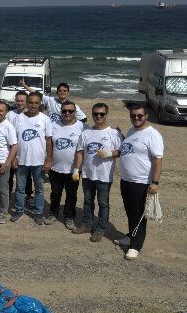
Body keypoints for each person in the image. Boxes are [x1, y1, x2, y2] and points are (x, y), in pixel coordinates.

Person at [72, 102, 124, 242]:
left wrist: (108, 154)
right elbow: (80, 153)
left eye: (101, 114)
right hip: (88, 174)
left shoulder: (113, 133)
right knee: (88, 201)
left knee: (103, 203)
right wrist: (76, 170)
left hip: (104, 175)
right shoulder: (86, 133)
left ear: (106, 115)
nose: (98, 116)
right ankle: (87, 225)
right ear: (92, 115)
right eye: (95, 114)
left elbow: (121, 151)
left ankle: (101, 228)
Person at [116, 105, 163, 260]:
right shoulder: (131, 131)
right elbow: (128, 149)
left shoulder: (152, 134)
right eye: (133, 115)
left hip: (141, 182)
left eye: (139, 115)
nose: (136, 118)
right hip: (126, 180)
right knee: (130, 212)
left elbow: (157, 159)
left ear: (146, 116)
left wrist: (154, 182)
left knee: (138, 214)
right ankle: (130, 236)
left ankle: (136, 246)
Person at [11, 92, 53, 225]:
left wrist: (49, 160)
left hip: (39, 161)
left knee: (39, 189)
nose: (33, 105)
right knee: (20, 189)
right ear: (26, 103)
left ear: (40, 103)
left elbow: (48, 141)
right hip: (21, 160)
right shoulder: (18, 118)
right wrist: (13, 158)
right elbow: (14, 141)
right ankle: (19, 210)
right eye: (31, 102)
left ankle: (38, 213)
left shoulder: (45, 119)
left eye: (36, 103)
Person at [47, 100, 86, 229]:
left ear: (75, 112)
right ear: (60, 112)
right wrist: (48, 159)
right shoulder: (53, 125)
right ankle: (53, 213)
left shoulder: (82, 127)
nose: (67, 113)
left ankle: (69, 217)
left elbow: (97, 133)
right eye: (64, 111)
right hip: (55, 167)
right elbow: (49, 144)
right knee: (55, 193)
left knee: (71, 194)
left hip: (74, 169)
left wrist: (116, 133)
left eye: (70, 111)